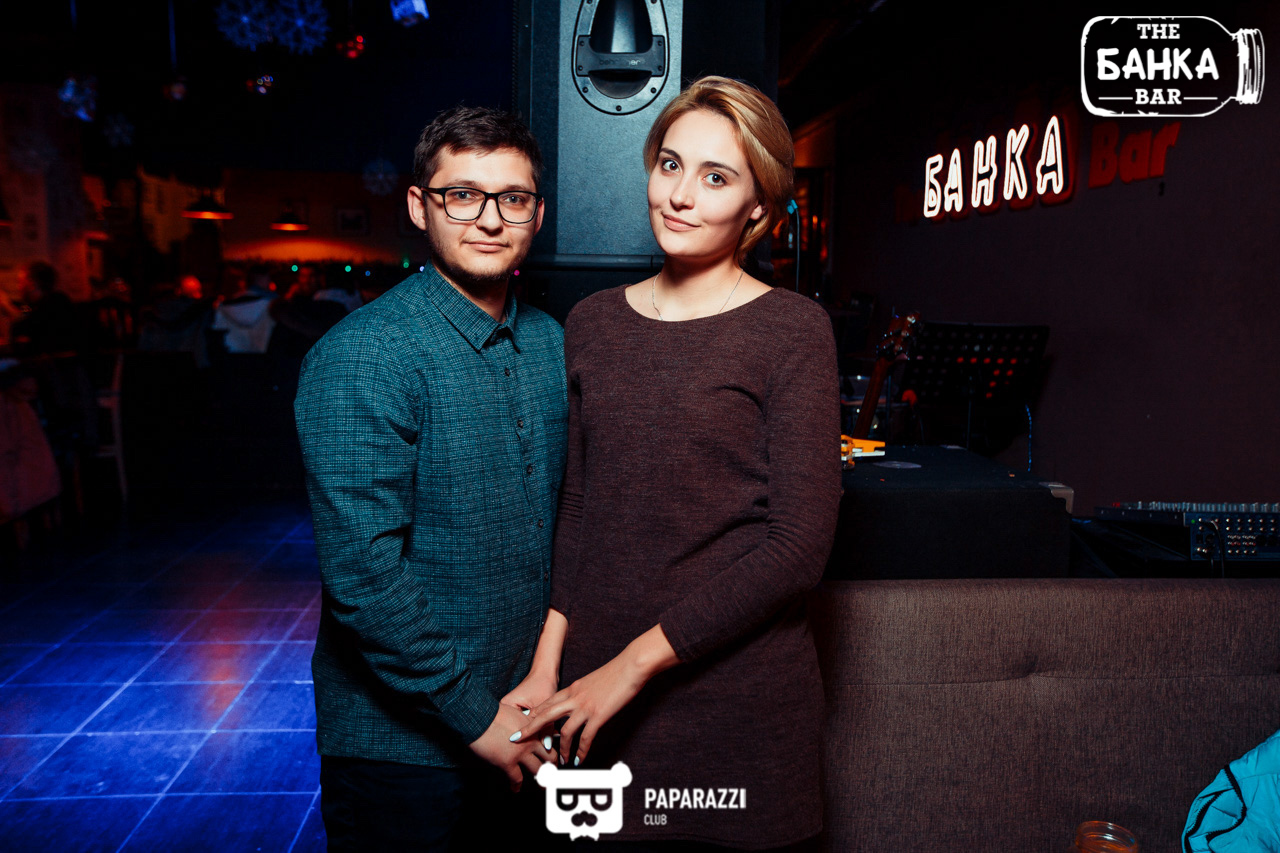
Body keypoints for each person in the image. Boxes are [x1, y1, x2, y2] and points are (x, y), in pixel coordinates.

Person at [512, 76, 842, 849]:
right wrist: (546, 668)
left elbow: (798, 548)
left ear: (757, 206)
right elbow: (582, 508)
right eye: (670, 164)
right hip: (594, 701)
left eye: (716, 177)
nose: (680, 195)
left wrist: (631, 665)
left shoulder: (792, 330)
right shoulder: (592, 322)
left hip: (736, 704)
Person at [294, 106, 566, 851]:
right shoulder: (364, 354)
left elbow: (570, 523)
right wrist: (477, 718)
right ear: (420, 206)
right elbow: (364, 577)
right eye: (462, 195)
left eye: (513, 198)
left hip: (526, 719)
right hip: (399, 753)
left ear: (537, 214)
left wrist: (537, 692)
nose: (490, 219)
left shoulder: (552, 343)